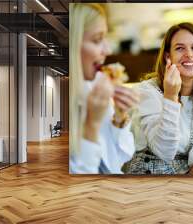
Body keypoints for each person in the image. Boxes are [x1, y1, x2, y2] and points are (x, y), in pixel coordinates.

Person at [126, 22, 193, 175]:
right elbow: (164, 152)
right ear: (168, 56)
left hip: (188, 167)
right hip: (151, 168)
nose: (189, 54)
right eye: (180, 48)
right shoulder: (147, 92)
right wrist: (170, 96)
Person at [69, 3, 138, 174]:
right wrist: (91, 124)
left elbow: (121, 157)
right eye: (97, 40)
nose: (107, 50)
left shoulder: (97, 86)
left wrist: (119, 117)